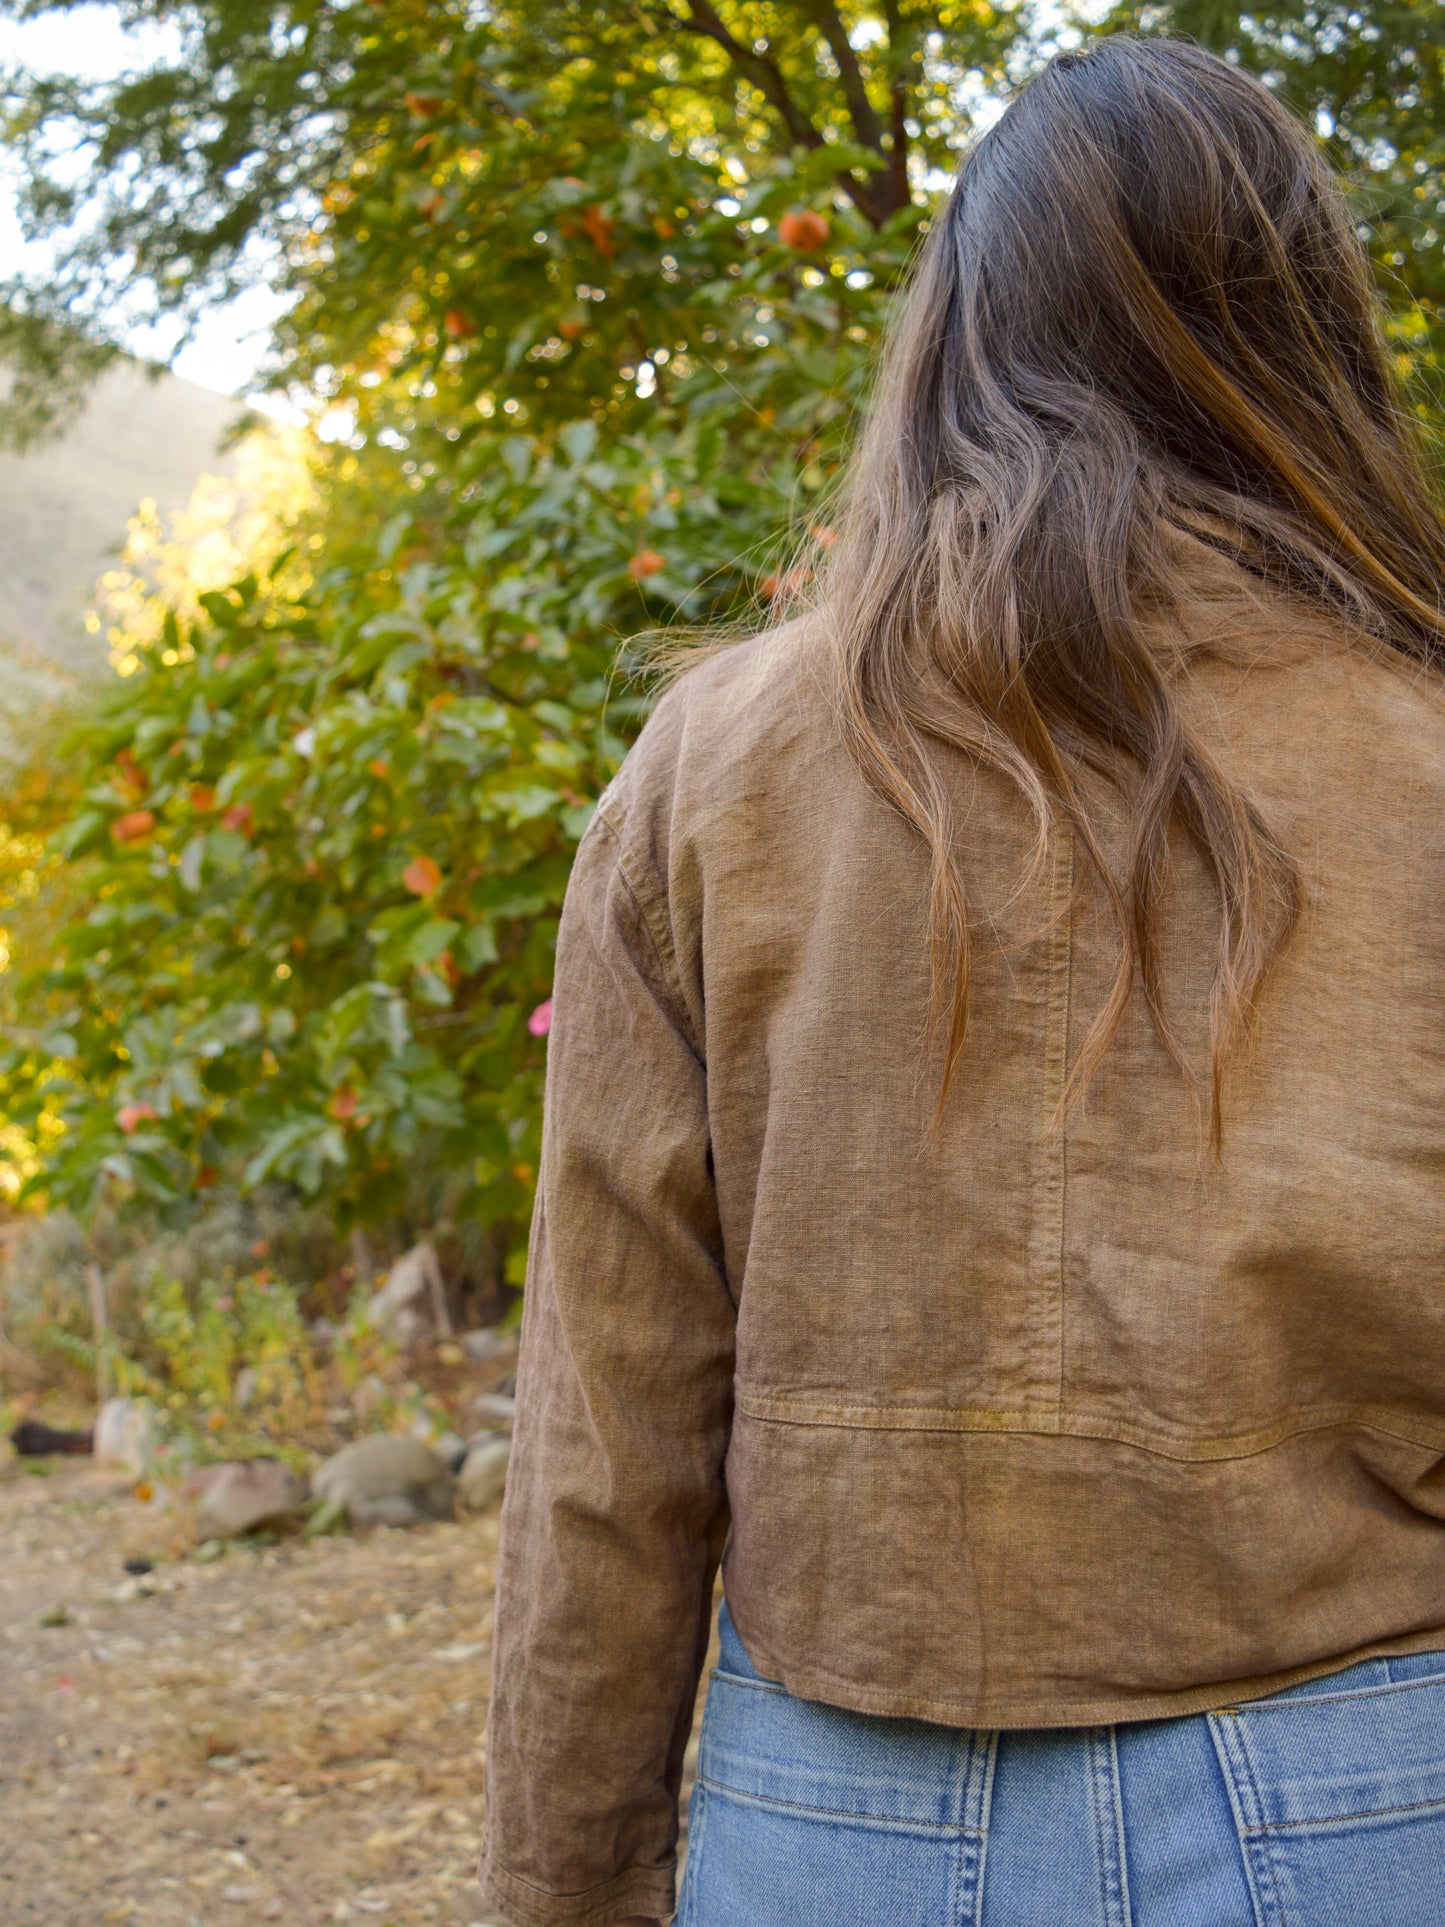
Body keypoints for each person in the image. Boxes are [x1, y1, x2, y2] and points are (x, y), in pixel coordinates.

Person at [478, 33, 1445, 1927]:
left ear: (956, 336)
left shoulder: (717, 767)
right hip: (1369, 1779)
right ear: (1302, 341)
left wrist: (564, 1887)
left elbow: (611, 1429)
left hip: (837, 1809)